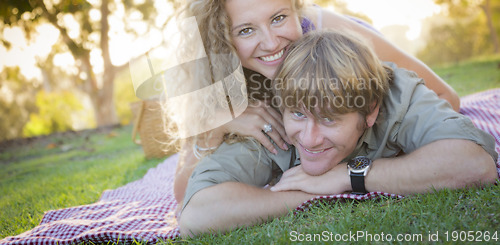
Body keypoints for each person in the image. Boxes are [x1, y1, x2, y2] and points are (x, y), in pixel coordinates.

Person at [172, 0, 461, 204]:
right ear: (222, 39)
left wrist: (348, 170)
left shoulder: (333, 33)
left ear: (295, 8)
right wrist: (220, 125)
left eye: (278, 18)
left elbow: (447, 97)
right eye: (246, 30)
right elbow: (184, 195)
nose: (272, 43)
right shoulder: (215, 74)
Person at [178, 30, 498, 237]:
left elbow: (475, 165)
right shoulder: (278, 119)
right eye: (300, 114)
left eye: (329, 119)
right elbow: (197, 214)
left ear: (370, 109)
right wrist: (307, 193)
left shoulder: (398, 94)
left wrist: (350, 176)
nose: (309, 138)